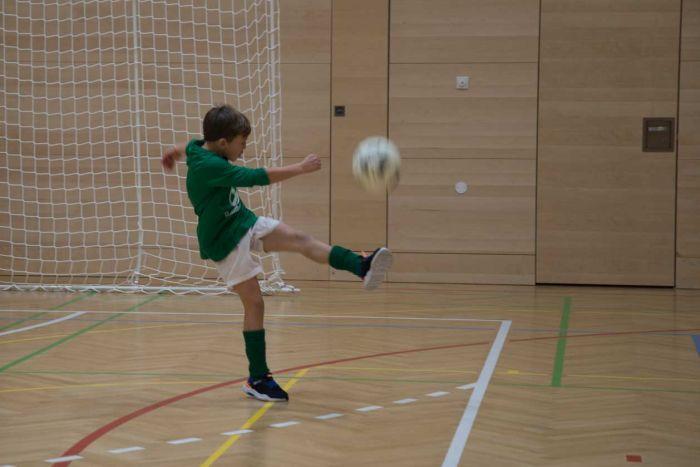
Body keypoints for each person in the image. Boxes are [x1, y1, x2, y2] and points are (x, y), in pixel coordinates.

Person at [161, 104, 392, 402]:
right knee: (255, 304)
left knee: (299, 238)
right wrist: (300, 168)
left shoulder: (199, 148)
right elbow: (256, 177)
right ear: (223, 143)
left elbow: (188, 146)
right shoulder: (211, 166)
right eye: (242, 142)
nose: (244, 148)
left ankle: (361, 265)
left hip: (241, 220)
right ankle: (258, 378)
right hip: (223, 241)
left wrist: (173, 152)